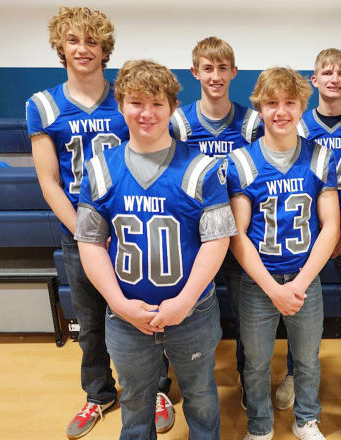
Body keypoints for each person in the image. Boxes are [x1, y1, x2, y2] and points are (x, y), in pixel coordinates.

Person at [76, 59, 234, 440]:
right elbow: (90, 243)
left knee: (200, 395)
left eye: (157, 104)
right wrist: (117, 303)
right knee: (134, 400)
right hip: (127, 315)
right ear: (120, 104)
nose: (146, 113)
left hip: (192, 311)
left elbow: (217, 241)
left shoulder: (201, 168)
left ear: (173, 108)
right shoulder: (99, 169)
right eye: (136, 102)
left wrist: (185, 300)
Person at [24, 7, 135, 438]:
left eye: (92, 41)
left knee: (141, 311)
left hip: (130, 228)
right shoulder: (43, 104)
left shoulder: (126, 95)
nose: (83, 49)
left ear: (105, 47)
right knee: (90, 321)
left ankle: (157, 386)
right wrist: (87, 234)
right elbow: (49, 181)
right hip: (80, 229)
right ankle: (99, 394)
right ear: (61, 46)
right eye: (74, 40)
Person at [227, 67, 339, 440]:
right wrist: (274, 289)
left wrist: (301, 282)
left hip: (304, 279)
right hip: (259, 282)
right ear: (259, 107)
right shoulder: (242, 161)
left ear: (302, 106)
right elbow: (238, 235)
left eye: (290, 102)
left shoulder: (320, 158)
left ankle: (306, 419)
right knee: (256, 363)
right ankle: (260, 427)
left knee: (307, 358)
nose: (281, 111)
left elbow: (331, 227)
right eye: (272, 102)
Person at [274, 48, 341, 409]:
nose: (334, 78)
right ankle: (295, 374)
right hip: (305, 235)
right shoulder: (297, 124)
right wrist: (322, 233)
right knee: (296, 306)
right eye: (326, 72)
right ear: (314, 80)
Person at [170, 36, 262, 409]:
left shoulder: (252, 121)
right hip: (196, 233)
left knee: (246, 312)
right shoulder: (178, 121)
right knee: (187, 307)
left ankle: (243, 370)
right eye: (208, 68)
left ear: (234, 72)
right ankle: (184, 381)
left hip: (241, 231)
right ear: (195, 72)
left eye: (222, 68)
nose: (215, 76)